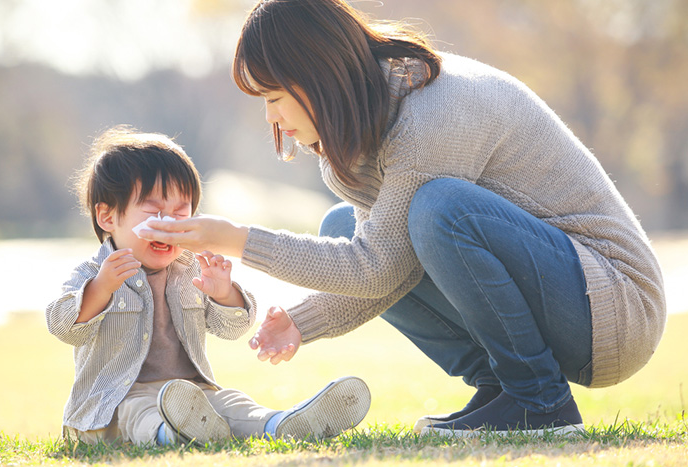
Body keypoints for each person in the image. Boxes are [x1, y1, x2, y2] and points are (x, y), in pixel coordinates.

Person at [140, 0, 666, 437]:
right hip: (569, 305)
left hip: (616, 308)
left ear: (316, 76)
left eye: (274, 97)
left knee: (440, 208)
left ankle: (539, 400)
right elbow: (391, 264)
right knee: (345, 227)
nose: (272, 117)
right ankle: (504, 388)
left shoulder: (431, 114)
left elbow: (376, 266)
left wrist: (232, 238)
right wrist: (306, 320)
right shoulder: (359, 141)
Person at [45, 126, 370, 446]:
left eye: (180, 211)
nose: (169, 222)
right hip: (115, 403)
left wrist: (223, 293)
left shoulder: (191, 269)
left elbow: (232, 328)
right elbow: (62, 326)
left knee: (230, 402)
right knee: (140, 411)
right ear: (107, 217)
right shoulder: (93, 274)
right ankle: (171, 435)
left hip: (192, 393)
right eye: (154, 211)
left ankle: (280, 424)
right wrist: (101, 289)